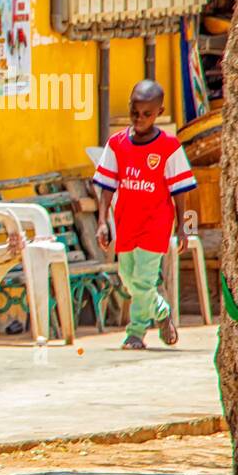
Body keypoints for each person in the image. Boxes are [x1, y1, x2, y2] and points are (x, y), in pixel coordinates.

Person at [92, 79, 198, 350]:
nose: (139, 119)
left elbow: (180, 190)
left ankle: (135, 333)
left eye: (146, 114)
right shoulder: (116, 145)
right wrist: (103, 220)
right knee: (128, 278)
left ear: (159, 113)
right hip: (125, 222)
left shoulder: (169, 148)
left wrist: (183, 227)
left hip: (156, 224)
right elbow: (106, 185)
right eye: (134, 113)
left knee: (143, 280)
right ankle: (161, 311)